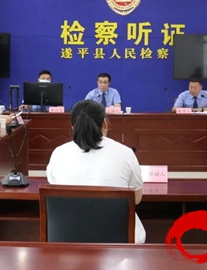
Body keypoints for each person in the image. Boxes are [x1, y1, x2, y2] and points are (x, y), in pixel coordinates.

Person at [46, 99, 145, 243]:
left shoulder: (59, 153)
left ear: (73, 127)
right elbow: (136, 198)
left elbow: (55, 193)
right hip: (118, 242)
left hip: (67, 239)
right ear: (104, 124)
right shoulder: (125, 153)